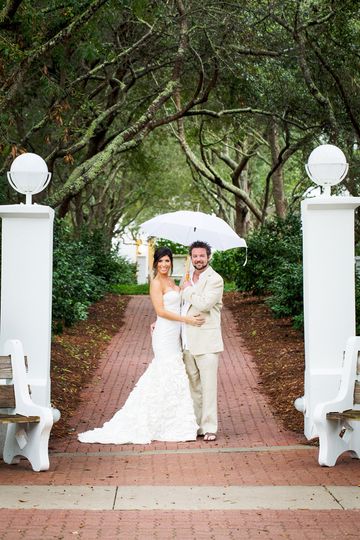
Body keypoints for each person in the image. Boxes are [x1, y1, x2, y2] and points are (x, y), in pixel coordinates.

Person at [78, 246, 204, 444]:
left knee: (172, 374)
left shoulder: (172, 281)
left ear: (171, 263)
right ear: (155, 263)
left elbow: (176, 303)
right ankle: (149, 419)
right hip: (164, 334)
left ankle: (170, 419)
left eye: (167, 261)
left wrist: (186, 286)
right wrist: (185, 319)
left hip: (175, 333)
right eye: (160, 261)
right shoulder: (155, 283)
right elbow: (161, 311)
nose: (164, 264)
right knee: (165, 370)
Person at [181, 241, 224, 442]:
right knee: (193, 387)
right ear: (191, 257)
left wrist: (188, 290)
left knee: (208, 388)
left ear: (208, 257)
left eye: (202, 256)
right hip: (187, 341)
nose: (198, 259)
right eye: (195, 256)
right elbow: (181, 307)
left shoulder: (215, 280)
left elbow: (205, 304)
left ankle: (210, 427)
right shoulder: (187, 277)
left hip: (207, 342)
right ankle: (196, 426)